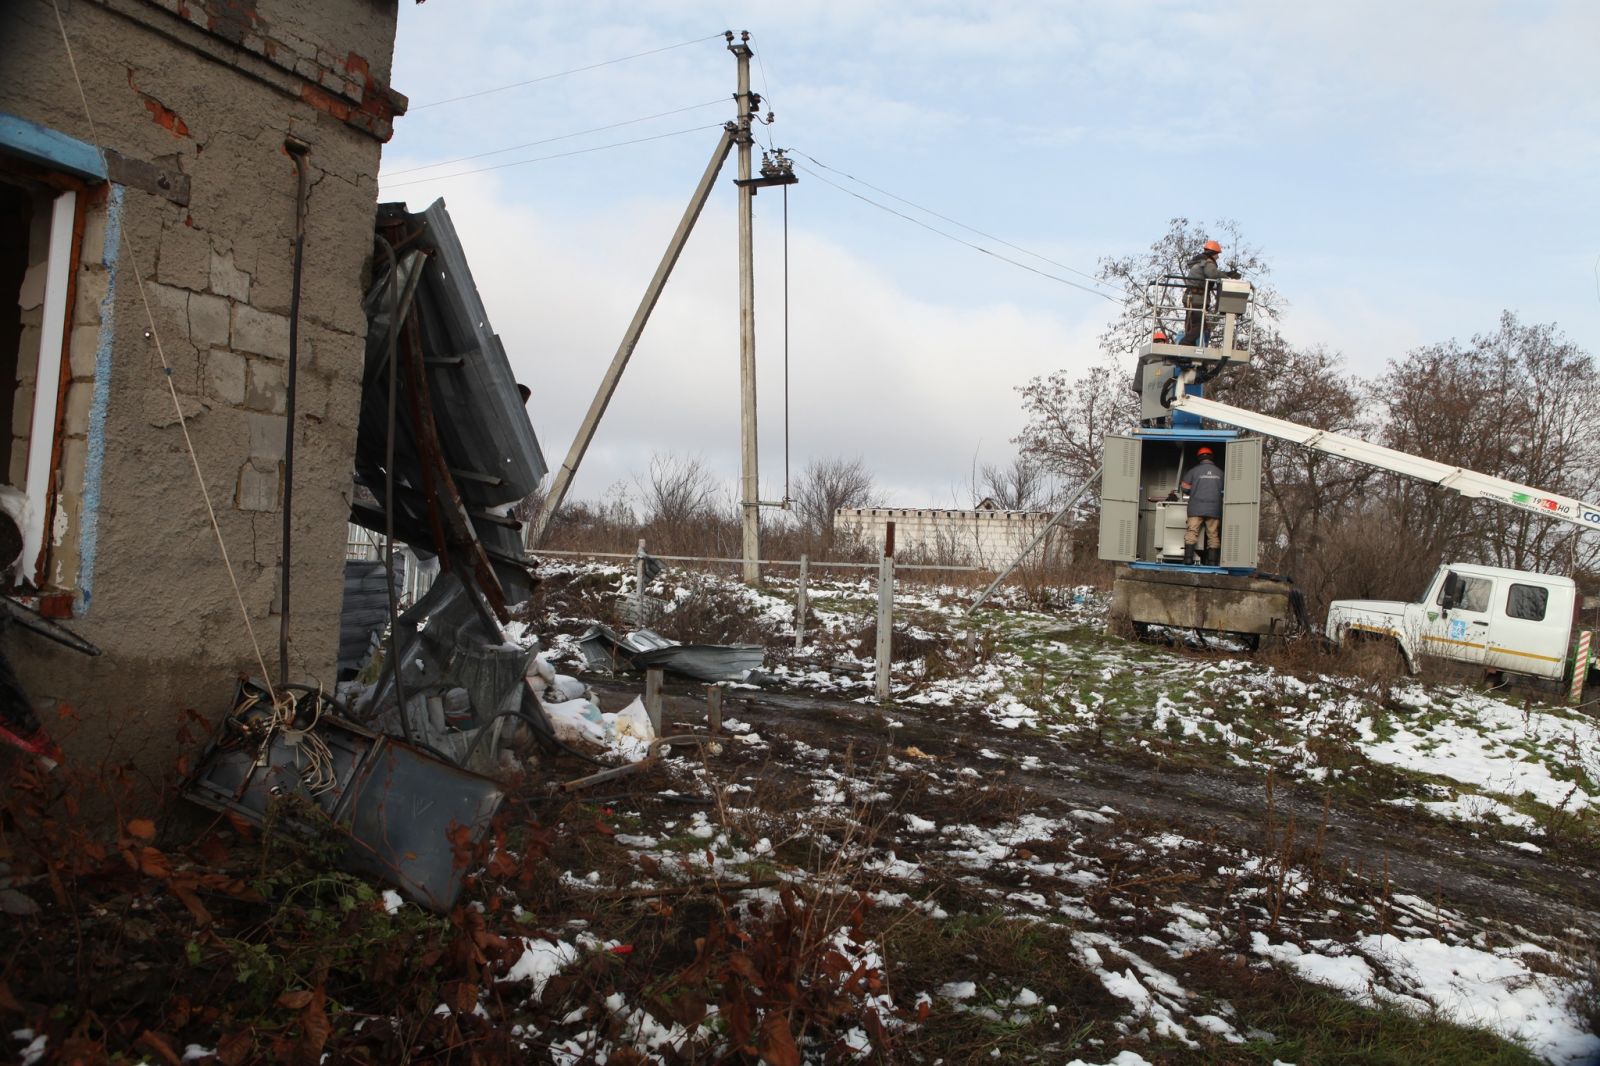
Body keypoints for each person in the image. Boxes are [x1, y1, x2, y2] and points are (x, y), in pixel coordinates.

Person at [1180, 446, 1223, 565]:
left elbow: (1184, 487)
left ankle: (1188, 559)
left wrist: (1194, 489)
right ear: (1211, 457)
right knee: (1213, 534)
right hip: (1214, 509)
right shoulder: (1220, 472)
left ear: (1199, 457)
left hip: (1196, 508)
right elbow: (1224, 490)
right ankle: (1213, 562)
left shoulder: (1193, 471)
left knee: (1192, 532)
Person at [1177, 240, 1222, 346]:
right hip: (1197, 298)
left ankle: (1190, 344)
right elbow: (1212, 275)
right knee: (1199, 324)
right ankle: (1185, 342)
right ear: (1213, 253)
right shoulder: (1208, 263)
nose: (1218, 258)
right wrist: (1227, 276)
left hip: (1191, 297)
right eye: (1217, 255)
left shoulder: (1199, 263)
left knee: (1194, 324)